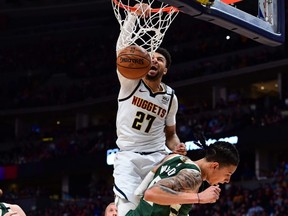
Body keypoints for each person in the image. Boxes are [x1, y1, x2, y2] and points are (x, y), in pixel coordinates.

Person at [113, 3, 186, 216]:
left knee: (176, 193)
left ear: (165, 69)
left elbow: (170, 134)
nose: (154, 60)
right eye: (151, 58)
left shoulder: (170, 96)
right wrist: (133, 16)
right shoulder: (130, 83)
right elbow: (122, 49)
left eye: (160, 60)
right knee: (129, 207)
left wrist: (177, 146)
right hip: (129, 157)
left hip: (158, 154)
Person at [126, 141, 240, 215]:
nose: (227, 180)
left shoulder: (174, 157)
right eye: (228, 174)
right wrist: (199, 197)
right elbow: (151, 193)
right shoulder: (194, 175)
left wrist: (138, 195)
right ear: (215, 165)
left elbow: (150, 176)